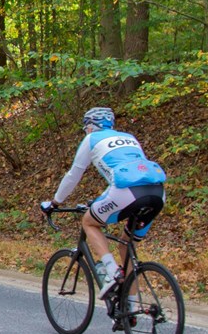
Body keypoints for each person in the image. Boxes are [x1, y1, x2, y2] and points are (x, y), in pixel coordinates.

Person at [41, 107, 167, 297]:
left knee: (89, 222)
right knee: (126, 245)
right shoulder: (129, 137)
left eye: (86, 127)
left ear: (90, 126)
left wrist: (55, 202)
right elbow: (131, 172)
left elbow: (73, 175)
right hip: (157, 193)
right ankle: (131, 309)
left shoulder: (91, 139)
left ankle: (111, 271)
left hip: (126, 192)